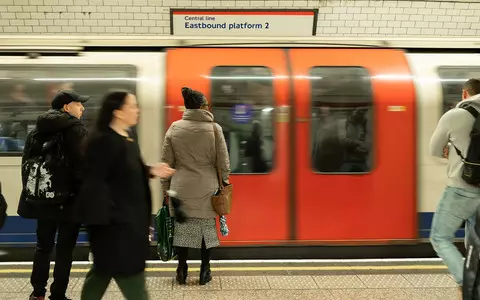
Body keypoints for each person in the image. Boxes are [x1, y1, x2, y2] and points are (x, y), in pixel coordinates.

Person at [73, 90, 174, 300]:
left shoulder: (127, 139)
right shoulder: (103, 142)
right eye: (132, 106)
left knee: (102, 272)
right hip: (116, 226)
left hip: (126, 222)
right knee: (130, 275)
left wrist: (150, 170)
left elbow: (123, 172)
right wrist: (115, 222)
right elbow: (95, 185)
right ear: (118, 112)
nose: (137, 110)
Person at [18, 90, 89, 300]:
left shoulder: (35, 131)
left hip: (43, 200)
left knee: (43, 247)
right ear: (66, 107)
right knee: (65, 250)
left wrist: (37, 193)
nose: (82, 108)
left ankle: (37, 293)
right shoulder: (76, 130)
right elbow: (83, 166)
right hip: (69, 200)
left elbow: (25, 166)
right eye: (79, 104)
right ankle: (58, 294)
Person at [160, 87, 230, 286]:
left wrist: (166, 188)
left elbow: (166, 163)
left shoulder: (174, 128)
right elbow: (223, 162)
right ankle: (204, 271)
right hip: (207, 187)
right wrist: (224, 182)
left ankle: (182, 269)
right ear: (202, 106)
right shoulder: (215, 129)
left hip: (181, 186)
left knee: (183, 230)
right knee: (206, 231)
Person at [429, 78, 480, 299]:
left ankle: (467, 284)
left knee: (440, 237)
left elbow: (435, 149)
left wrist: (450, 150)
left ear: (465, 94)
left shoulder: (455, 115)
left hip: (463, 188)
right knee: (475, 240)